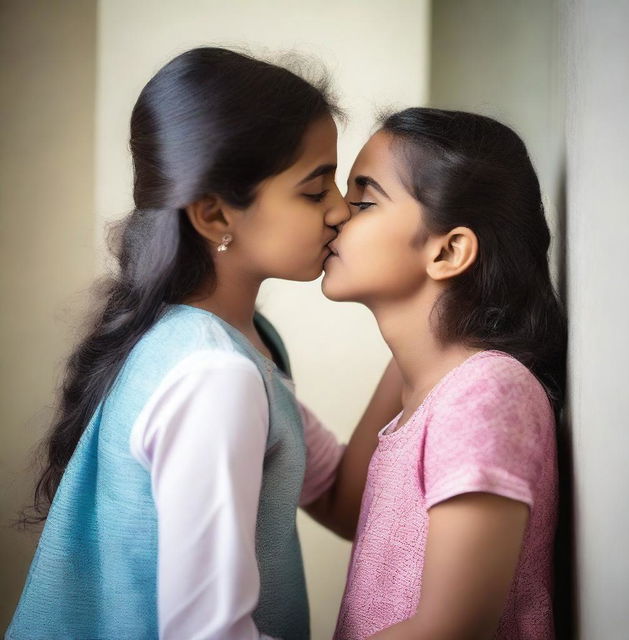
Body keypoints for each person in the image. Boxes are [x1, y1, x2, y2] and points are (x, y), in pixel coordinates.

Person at [7, 47, 402, 640]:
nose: (341, 211)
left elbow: (344, 503)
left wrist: (419, 335)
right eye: (315, 190)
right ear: (216, 216)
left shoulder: (231, 345)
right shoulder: (212, 376)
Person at [323, 108, 567, 639]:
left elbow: (449, 629)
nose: (335, 214)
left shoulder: (486, 390)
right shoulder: (419, 377)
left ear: (448, 250)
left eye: (363, 199)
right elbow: (345, 503)